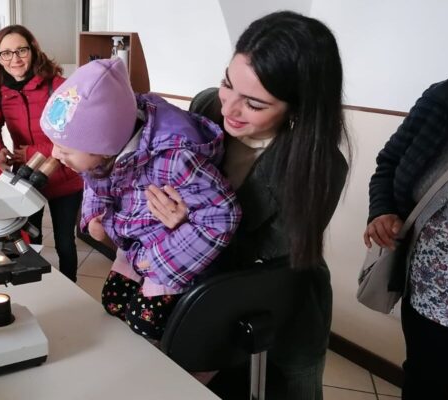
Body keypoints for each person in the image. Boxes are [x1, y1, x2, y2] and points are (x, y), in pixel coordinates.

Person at [152, 11, 349, 399]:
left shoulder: (318, 165)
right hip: (196, 291)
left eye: (255, 104)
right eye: (228, 83)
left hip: (275, 300)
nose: (229, 109)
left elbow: (262, 261)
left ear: (299, 108)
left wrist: (188, 226)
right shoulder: (207, 105)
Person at [41, 58, 240, 339]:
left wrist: (155, 261)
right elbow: (95, 176)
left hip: (170, 253)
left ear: (104, 146)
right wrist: (93, 214)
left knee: (144, 322)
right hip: (135, 242)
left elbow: (222, 216)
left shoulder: (174, 158)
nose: (54, 155)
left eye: (65, 149)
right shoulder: (109, 142)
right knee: (113, 300)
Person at [363, 4, 448, 399]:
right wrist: (383, 210)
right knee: (423, 380)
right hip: (427, 289)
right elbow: (390, 161)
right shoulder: (443, 98)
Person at [0, 25, 84, 282]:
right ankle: (36, 285)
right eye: (5, 53)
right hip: (27, 178)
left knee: (64, 241)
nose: (14, 59)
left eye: (21, 50)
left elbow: (77, 133)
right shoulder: (0, 92)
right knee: (30, 236)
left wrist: (31, 151)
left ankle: (70, 289)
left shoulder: (58, 86)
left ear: (33, 50)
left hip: (66, 177)